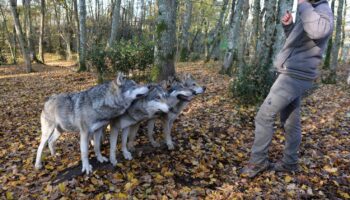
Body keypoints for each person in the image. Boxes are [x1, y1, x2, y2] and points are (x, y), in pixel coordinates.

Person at [240, 0, 334, 178]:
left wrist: (303, 4)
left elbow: (318, 31)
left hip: (294, 76)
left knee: (264, 116)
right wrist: (289, 26)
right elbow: (302, 42)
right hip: (293, 72)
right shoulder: (313, 10)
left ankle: (258, 162)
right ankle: (290, 162)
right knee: (290, 121)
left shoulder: (323, 10)